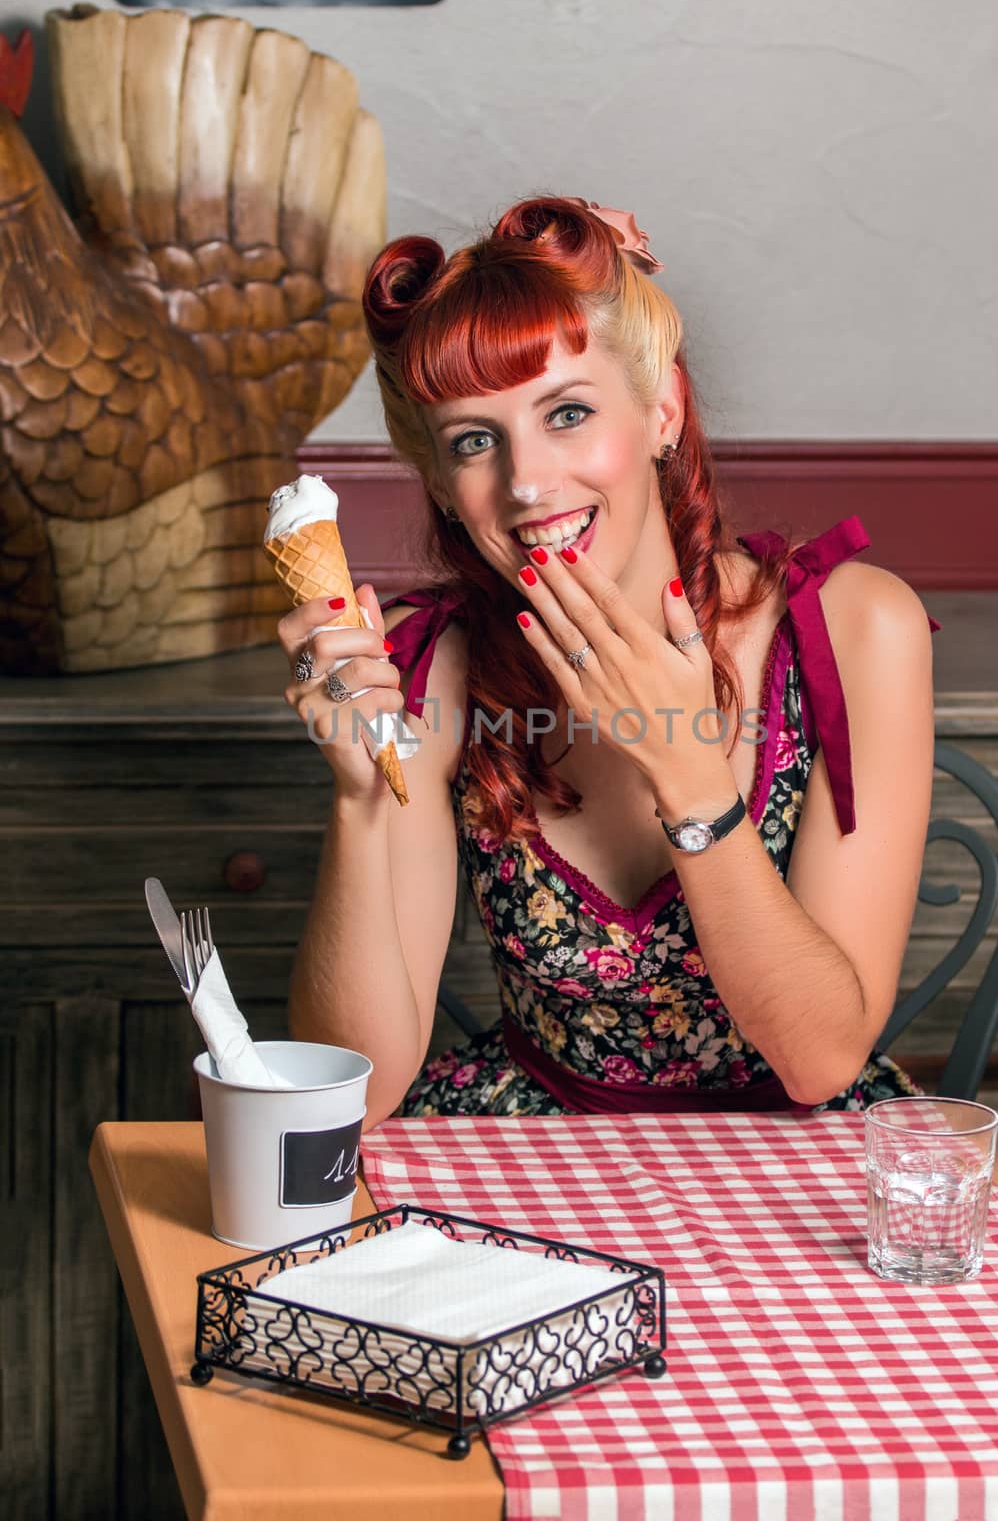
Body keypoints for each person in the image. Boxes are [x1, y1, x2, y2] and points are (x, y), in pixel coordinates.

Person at [277, 195, 939, 1130]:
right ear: (440, 480)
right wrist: (355, 799)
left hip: (804, 1160)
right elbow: (362, 1090)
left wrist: (683, 773)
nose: (528, 482)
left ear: (661, 409)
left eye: (568, 412)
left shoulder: (852, 630)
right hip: (529, 1144)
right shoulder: (426, 668)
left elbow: (821, 1058)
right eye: (475, 440)